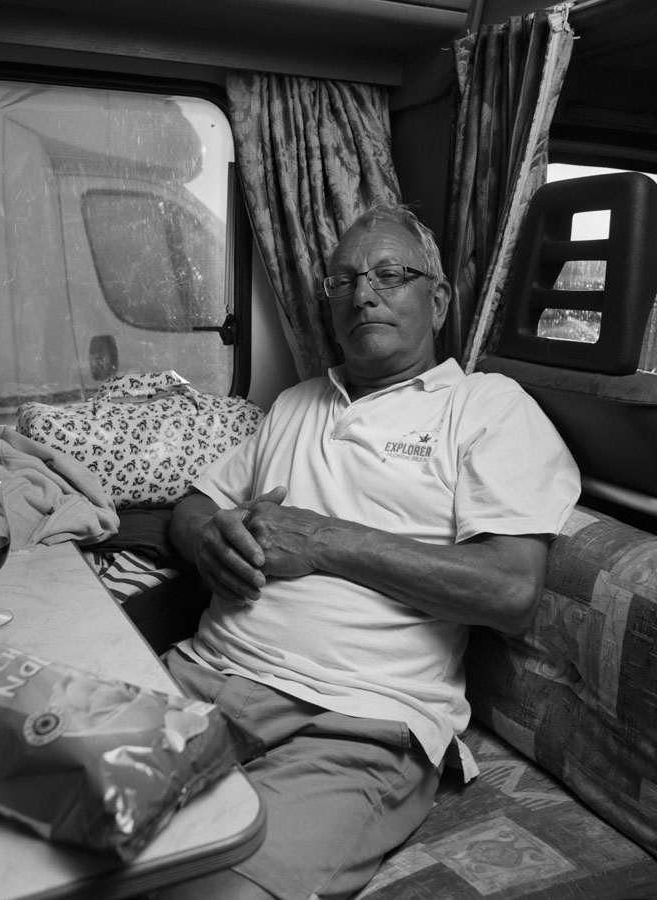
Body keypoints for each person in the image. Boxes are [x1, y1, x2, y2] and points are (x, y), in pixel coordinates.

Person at [155, 204, 580, 900]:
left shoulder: (487, 406)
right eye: (344, 281)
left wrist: (322, 540)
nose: (363, 295)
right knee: (46, 814)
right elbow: (195, 505)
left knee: (212, 892)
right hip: (203, 679)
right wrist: (208, 539)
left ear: (437, 300)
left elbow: (509, 591)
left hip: (357, 725)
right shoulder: (295, 403)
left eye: (390, 275)